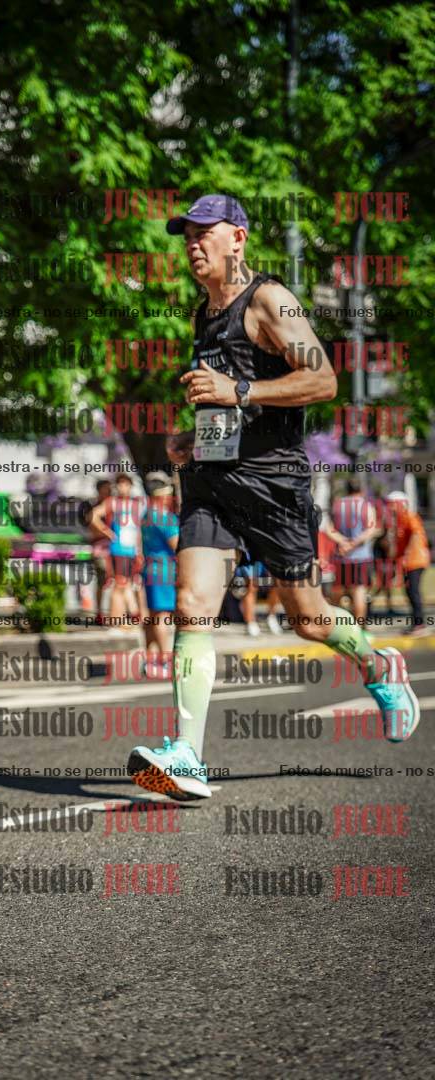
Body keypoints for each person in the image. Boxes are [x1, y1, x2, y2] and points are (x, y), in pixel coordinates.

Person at [127, 193, 420, 801]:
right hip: (211, 483)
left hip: (274, 485)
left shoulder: (269, 299)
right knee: (192, 605)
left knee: (308, 618)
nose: (193, 244)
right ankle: (187, 754)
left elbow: (322, 379)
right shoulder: (203, 315)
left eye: (204, 232)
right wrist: (192, 437)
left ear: (238, 237)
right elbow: (230, 405)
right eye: (187, 235)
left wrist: (236, 389)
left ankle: (377, 664)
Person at [90, 472, 143, 626]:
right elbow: (93, 515)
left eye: (126, 483)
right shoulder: (112, 502)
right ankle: (119, 620)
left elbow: (138, 529)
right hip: (118, 550)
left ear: (131, 486)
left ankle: (128, 617)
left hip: (132, 551)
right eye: (120, 484)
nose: (122, 487)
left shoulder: (136, 505)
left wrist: (139, 550)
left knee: (127, 585)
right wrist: (107, 532)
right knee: (120, 585)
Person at [325, 477, 380, 624]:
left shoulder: (337, 505)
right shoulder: (366, 506)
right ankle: (359, 628)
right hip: (361, 557)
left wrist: (343, 542)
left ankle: (336, 627)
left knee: (338, 591)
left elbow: (329, 529)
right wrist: (354, 543)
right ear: (361, 490)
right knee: (359, 591)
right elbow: (371, 529)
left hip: (341, 556)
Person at [140, 471, 179, 676]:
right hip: (164, 571)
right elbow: (177, 546)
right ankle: (165, 660)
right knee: (163, 617)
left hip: (150, 570)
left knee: (153, 617)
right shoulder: (164, 517)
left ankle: (150, 660)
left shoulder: (146, 515)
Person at [385, 491, 431, 636]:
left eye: (391, 505)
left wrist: (407, 554)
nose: (389, 508)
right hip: (408, 562)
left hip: (415, 561)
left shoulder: (409, 516)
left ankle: (420, 624)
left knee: (413, 591)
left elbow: (416, 534)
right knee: (410, 592)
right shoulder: (399, 520)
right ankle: (417, 623)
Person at [86, 479, 112, 620]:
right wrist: (108, 533)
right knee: (102, 581)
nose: (107, 492)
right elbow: (91, 522)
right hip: (100, 549)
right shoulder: (95, 507)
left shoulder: (114, 505)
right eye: (105, 489)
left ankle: (114, 612)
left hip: (116, 549)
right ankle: (100, 612)